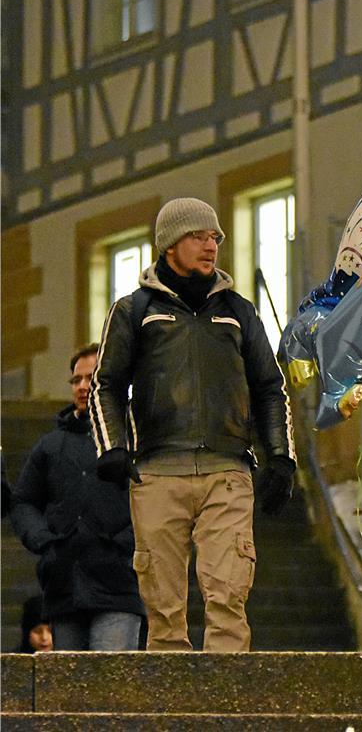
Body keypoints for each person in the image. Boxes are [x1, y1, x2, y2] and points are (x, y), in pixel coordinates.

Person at [89, 197, 296, 652]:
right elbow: (105, 384)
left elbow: (269, 386)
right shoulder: (134, 310)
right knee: (163, 607)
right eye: (198, 236)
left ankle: (225, 707)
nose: (211, 245)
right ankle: (172, 713)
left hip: (228, 470)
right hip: (157, 471)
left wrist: (281, 458)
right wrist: (112, 448)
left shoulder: (239, 310)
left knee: (228, 593)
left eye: (216, 237)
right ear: (169, 245)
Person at [10, 344, 144, 651]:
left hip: (118, 583)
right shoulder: (50, 445)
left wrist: (127, 542)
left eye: (92, 378)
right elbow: (23, 501)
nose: (83, 386)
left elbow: (155, 497)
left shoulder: (134, 438)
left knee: (108, 685)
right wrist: (45, 540)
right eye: (77, 380)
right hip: (65, 585)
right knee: (67, 692)